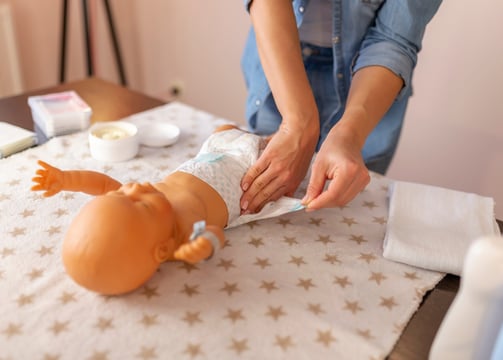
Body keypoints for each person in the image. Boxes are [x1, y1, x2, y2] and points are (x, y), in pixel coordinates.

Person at [31, 125, 302, 296]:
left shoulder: (131, 206)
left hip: (207, 158)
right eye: (145, 205)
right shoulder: (179, 239)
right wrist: (201, 248)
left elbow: (102, 183)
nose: (135, 189)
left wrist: (66, 179)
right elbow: (215, 234)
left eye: (122, 193)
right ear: (161, 249)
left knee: (224, 130)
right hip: (245, 176)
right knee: (281, 167)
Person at [239, 0, 443, 214]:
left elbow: (394, 39)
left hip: (369, 84)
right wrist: (296, 122)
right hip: (280, 64)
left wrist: (349, 135)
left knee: (342, 211)